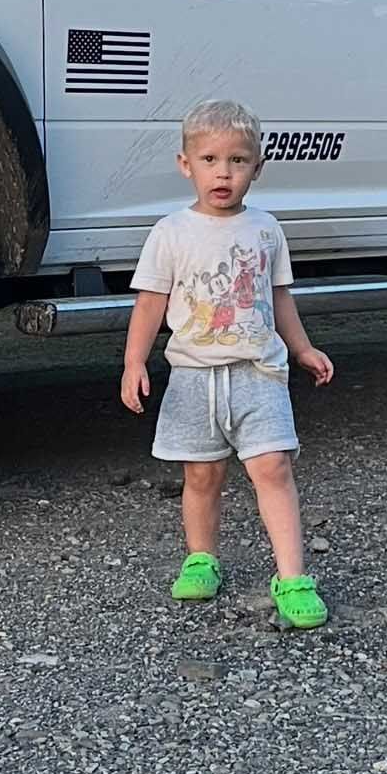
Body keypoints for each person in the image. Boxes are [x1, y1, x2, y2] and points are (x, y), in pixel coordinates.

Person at [120, 98, 334, 629]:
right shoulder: (171, 232)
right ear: (185, 164)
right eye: (211, 159)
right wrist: (133, 363)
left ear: (257, 168)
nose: (224, 172)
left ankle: (292, 576)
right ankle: (202, 557)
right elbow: (149, 301)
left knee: (273, 468)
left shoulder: (265, 230)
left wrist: (302, 347)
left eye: (238, 161)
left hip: (258, 373)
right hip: (193, 376)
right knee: (202, 476)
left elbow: (278, 296)